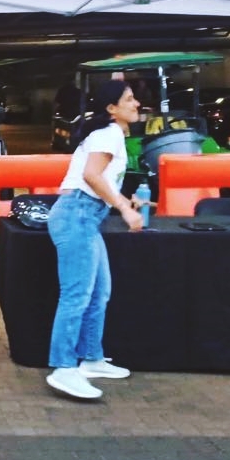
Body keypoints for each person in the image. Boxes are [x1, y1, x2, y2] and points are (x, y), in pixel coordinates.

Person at [45, 80, 145, 402]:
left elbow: (96, 179)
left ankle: (91, 359)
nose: (137, 104)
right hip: (77, 215)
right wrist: (124, 210)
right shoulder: (109, 133)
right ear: (111, 108)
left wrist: (126, 201)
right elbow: (91, 176)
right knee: (77, 295)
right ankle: (63, 368)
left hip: (84, 215)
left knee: (98, 293)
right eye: (129, 99)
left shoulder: (109, 134)